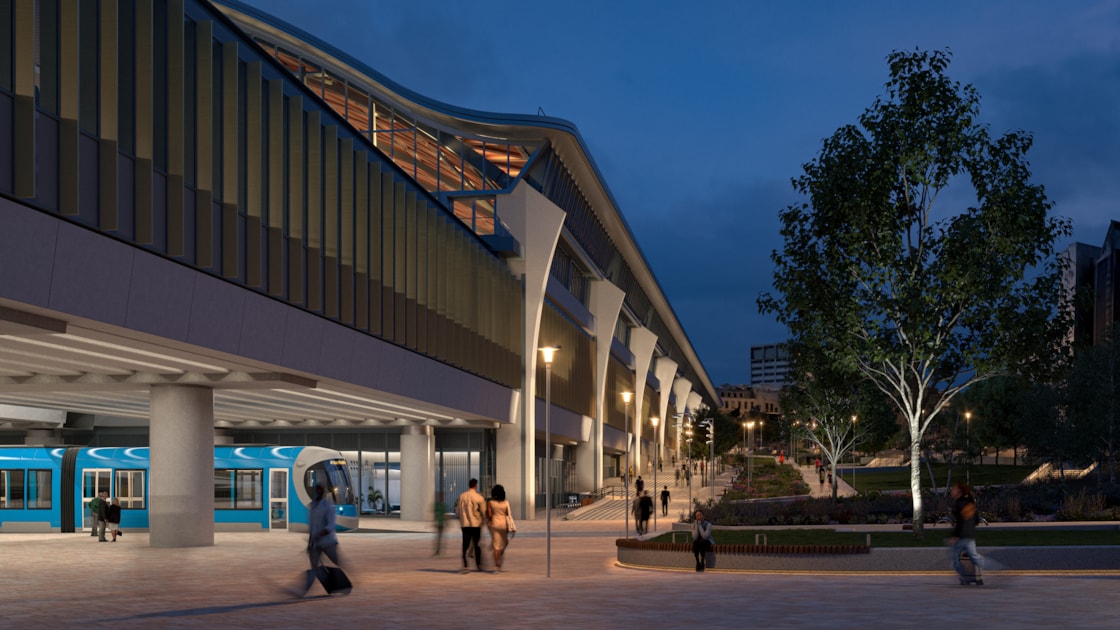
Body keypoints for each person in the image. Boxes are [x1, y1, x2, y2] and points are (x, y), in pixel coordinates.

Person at [301, 482, 343, 595]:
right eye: (317, 489)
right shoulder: (313, 506)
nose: (318, 491)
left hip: (328, 542)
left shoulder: (328, 507)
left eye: (320, 489)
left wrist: (321, 533)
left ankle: (341, 585)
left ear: (323, 491)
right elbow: (312, 526)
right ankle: (304, 590)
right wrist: (310, 542)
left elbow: (330, 525)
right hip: (315, 543)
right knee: (314, 567)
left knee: (337, 562)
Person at [948, 482, 984, 585]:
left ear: (959, 491)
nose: (951, 491)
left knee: (955, 559)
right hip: (970, 535)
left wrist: (955, 535)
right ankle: (981, 574)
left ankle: (965, 577)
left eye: (953, 489)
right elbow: (976, 520)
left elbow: (960, 521)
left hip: (962, 537)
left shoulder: (958, 504)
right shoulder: (970, 502)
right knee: (974, 556)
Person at [457, 478, 487, 573]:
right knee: (476, 544)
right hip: (476, 524)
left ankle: (465, 564)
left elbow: (458, 511)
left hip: (465, 524)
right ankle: (478, 564)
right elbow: (483, 511)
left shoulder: (462, 496)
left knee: (465, 544)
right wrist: (484, 521)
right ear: (476, 485)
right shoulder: (479, 497)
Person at [485, 484, 516, 572]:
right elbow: (508, 514)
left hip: (494, 524)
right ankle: (501, 552)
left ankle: (496, 565)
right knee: (505, 541)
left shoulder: (490, 503)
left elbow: (490, 515)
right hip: (504, 525)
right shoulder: (506, 503)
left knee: (496, 546)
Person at [433, 491, 447, 556]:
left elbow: (435, 514)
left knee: (439, 537)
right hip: (440, 523)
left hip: (440, 523)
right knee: (439, 537)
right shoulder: (441, 505)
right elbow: (444, 515)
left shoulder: (439, 505)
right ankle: (438, 550)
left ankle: (438, 550)